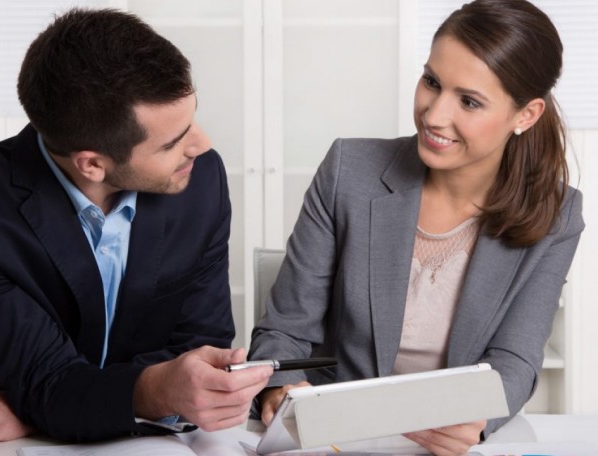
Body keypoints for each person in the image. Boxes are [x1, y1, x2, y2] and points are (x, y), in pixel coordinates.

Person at [0, 8, 272, 453]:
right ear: (92, 164)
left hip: (145, 434)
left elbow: (203, 346)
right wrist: (124, 391)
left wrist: (39, 402)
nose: (202, 144)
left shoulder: (200, 178)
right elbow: (47, 378)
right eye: (171, 141)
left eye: (191, 120)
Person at [249, 1, 584, 455]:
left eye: (468, 101)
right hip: (334, 437)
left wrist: (474, 423)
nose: (434, 114)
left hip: (447, 444)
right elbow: (285, 334)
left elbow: (515, 359)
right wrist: (281, 393)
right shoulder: (349, 171)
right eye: (431, 82)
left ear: (525, 116)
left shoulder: (557, 214)